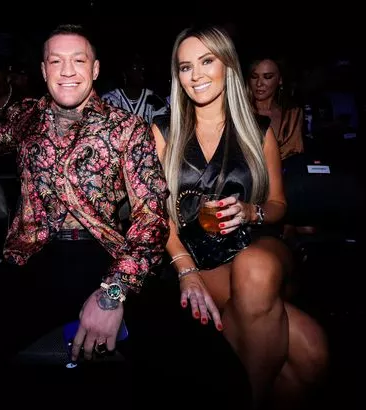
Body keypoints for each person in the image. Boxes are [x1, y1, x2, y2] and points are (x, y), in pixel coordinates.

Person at [0, 24, 170, 395]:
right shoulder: (27, 118)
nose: (67, 71)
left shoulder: (127, 128)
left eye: (78, 61)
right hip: (33, 258)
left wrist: (112, 293)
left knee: (178, 358)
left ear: (95, 69)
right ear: (43, 70)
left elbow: (152, 218)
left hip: (105, 259)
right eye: (56, 61)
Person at [151, 26, 328, 409]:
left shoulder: (257, 130)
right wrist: (184, 267)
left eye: (207, 61)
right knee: (311, 353)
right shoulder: (164, 131)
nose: (196, 75)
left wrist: (252, 211)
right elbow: (154, 215)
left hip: (256, 243)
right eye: (185, 67)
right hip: (199, 254)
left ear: (228, 66)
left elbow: (278, 205)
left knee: (255, 265)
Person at [246, 57, 304, 163]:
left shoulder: (292, 116)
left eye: (267, 77)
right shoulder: (238, 112)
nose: (259, 83)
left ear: (280, 80)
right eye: (254, 77)